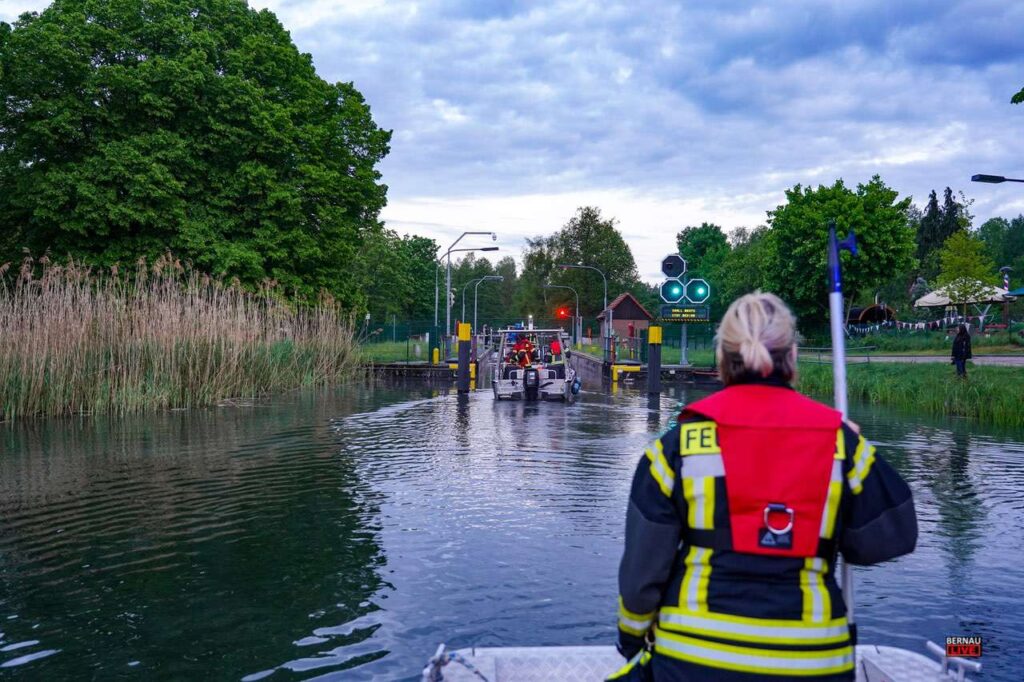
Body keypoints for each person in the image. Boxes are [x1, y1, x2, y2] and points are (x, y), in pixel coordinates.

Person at [610, 292, 917, 682]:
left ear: (722, 360)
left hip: (692, 662)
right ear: (791, 359)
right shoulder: (840, 444)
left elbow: (641, 579)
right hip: (814, 665)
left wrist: (633, 639)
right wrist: (854, 448)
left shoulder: (674, 450)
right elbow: (891, 538)